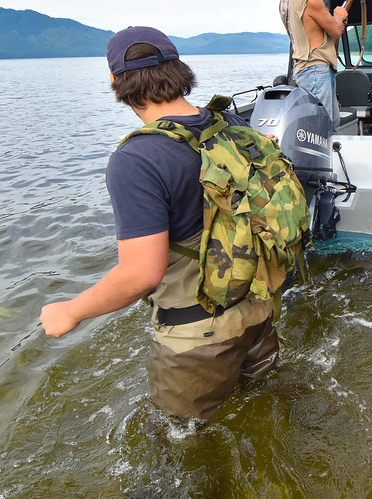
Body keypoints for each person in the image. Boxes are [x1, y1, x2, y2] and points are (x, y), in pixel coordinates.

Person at [39, 26, 279, 420]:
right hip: (259, 307)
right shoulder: (234, 125)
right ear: (177, 68)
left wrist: (71, 311)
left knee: (177, 447)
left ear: (115, 79)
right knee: (262, 408)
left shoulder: (137, 159)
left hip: (198, 337)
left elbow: (142, 274)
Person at [279, 0, 348, 124]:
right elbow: (335, 30)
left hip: (302, 70)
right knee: (324, 125)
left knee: (324, 124)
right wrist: (339, 15)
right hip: (317, 70)